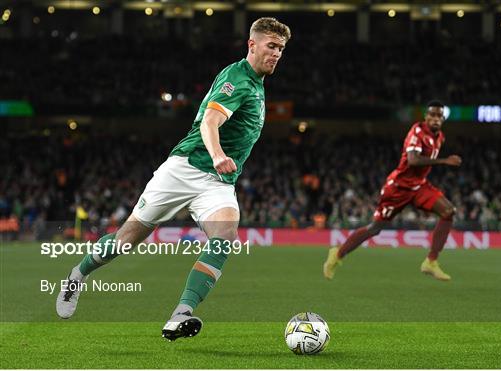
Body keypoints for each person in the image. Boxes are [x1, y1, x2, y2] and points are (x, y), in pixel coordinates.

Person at [56, 17, 291, 340]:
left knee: (224, 237)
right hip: (185, 169)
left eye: (281, 48)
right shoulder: (236, 78)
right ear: (252, 45)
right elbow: (210, 121)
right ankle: (76, 276)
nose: (277, 53)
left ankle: (180, 314)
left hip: (216, 183)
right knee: (125, 241)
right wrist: (219, 154)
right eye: (271, 46)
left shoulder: (257, 85)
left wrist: (221, 164)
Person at [323, 100, 462, 281]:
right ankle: (337, 255)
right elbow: (412, 160)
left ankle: (431, 262)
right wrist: (443, 161)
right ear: (426, 117)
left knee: (448, 211)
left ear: (443, 119)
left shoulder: (440, 136)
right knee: (375, 228)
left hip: (419, 186)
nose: (435, 119)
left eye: (439, 116)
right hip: (398, 188)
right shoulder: (417, 132)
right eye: (432, 115)